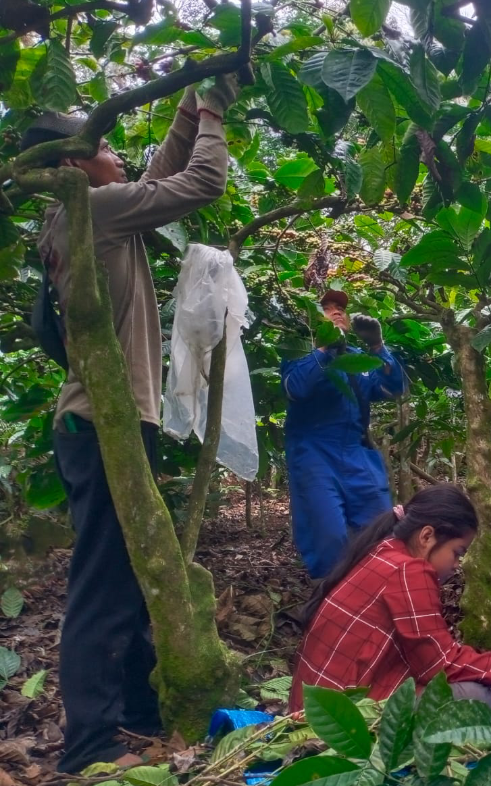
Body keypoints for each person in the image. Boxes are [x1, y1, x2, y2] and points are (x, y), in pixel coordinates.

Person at [23, 77, 239, 772]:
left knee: (129, 573)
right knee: (103, 583)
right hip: (102, 423)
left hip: (100, 423)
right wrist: (213, 111)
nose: (115, 154)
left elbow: (157, 179)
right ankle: (90, 742)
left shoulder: (79, 218)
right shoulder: (96, 212)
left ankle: (139, 714)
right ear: (71, 165)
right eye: (103, 145)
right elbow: (201, 182)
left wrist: (187, 106)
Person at [289, 484, 491, 710]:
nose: (457, 565)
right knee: (474, 698)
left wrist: (489, 675)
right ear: (427, 537)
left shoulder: (384, 551)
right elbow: (441, 663)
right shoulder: (409, 570)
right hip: (341, 717)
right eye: (457, 552)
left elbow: (422, 654)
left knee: (476, 687)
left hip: (317, 705)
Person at [280, 289, 407, 578]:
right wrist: (324, 349)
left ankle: (379, 595)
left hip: (357, 453)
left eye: (340, 307)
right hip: (314, 454)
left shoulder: (357, 359)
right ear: (313, 319)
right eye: (327, 308)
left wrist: (377, 346)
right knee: (328, 537)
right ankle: (331, 602)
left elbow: (392, 388)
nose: (336, 311)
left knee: (381, 530)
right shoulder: (299, 353)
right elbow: (295, 388)